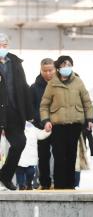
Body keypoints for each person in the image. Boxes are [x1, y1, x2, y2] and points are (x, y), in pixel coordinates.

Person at [40, 56, 93, 190]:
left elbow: (87, 102)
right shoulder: (52, 83)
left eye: (69, 65)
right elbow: (44, 105)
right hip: (58, 125)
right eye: (64, 65)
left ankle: (70, 185)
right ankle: (59, 185)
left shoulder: (78, 82)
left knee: (71, 156)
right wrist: (46, 121)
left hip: (75, 125)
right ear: (58, 68)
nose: (67, 68)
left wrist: (90, 119)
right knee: (59, 157)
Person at [0, 33, 35, 191]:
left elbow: (23, 87)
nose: (2, 48)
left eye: (4, 45)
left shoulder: (15, 62)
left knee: (20, 142)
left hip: (13, 112)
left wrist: (30, 114)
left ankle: (5, 175)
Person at [30, 58, 56, 189]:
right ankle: (44, 182)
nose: (48, 73)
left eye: (50, 70)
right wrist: (41, 122)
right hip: (41, 128)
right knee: (43, 156)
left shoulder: (59, 85)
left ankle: (57, 181)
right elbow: (32, 107)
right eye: (45, 70)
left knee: (59, 155)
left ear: (55, 69)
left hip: (58, 126)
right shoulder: (34, 88)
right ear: (40, 70)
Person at [16, 121, 43, 190]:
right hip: (19, 154)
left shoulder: (32, 127)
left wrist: (47, 131)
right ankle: (21, 185)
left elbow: (41, 134)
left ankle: (29, 184)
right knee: (19, 170)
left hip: (30, 155)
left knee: (30, 171)